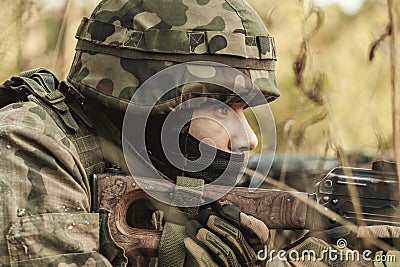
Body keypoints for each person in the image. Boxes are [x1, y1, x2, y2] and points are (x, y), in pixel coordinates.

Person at [0, 0, 398, 266]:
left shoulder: (161, 164)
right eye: (225, 107)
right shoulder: (27, 148)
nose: (250, 138)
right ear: (154, 104)